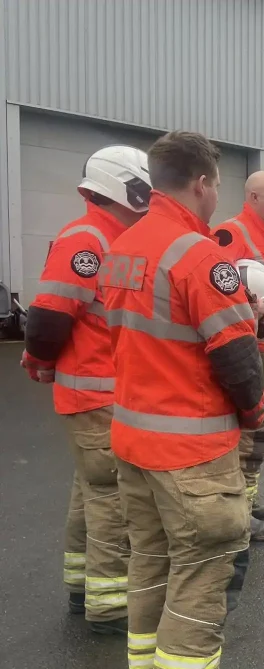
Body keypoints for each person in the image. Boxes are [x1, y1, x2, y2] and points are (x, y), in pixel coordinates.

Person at [101, 130, 264, 669]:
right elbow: (236, 355)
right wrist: (255, 412)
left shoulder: (124, 248)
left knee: (149, 565)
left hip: (134, 443)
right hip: (192, 454)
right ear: (201, 183)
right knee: (201, 571)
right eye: (216, 186)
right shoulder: (199, 257)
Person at [21, 145, 151, 632]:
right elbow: (50, 315)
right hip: (97, 398)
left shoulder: (113, 238)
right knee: (112, 500)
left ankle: (82, 589)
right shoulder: (88, 238)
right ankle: (110, 607)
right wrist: (39, 360)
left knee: (91, 491)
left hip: (108, 396)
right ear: (124, 187)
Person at [212, 172, 264, 540]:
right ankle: (238, 512)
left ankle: (249, 496)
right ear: (253, 196)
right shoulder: (232, 235)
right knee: (252, 431)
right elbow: (219, 290)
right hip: (252, 348)